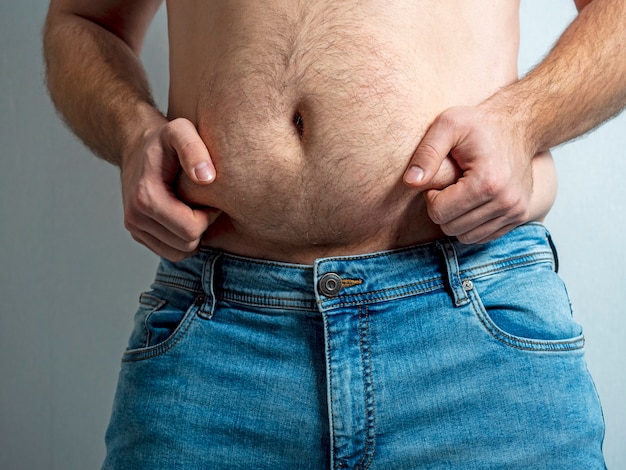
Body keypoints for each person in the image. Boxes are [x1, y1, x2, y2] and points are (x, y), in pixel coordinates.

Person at [43, 0, 624, 468]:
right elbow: (86, 21)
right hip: (219, 341)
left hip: (468, 325)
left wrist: (523, 121)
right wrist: (130, 133)